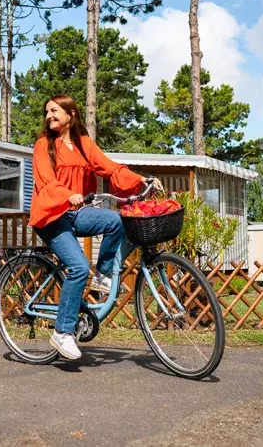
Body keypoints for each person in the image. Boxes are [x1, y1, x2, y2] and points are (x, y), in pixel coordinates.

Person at [30, 94, 161, 360]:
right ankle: (62, 332)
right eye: (47, 112)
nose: (48, 116)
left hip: (76, 213)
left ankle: (103, 273)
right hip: (51, 216)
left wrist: (141, 179)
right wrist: (67, 194)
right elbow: (46, 181)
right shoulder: (43, 145)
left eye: (54, 111)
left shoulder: (84, 144)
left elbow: (110, 169)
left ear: (71, 114)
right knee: (79, 267)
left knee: (117, 220)